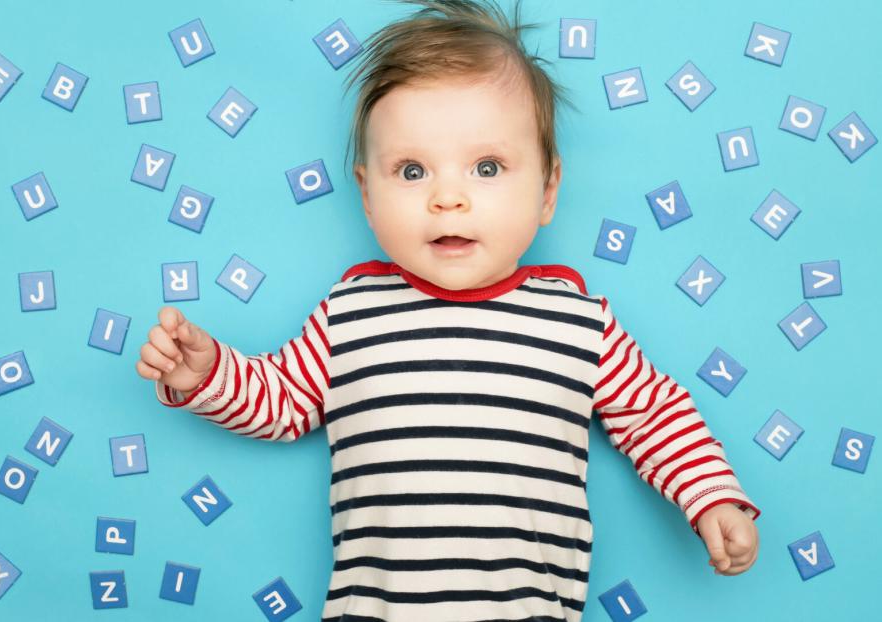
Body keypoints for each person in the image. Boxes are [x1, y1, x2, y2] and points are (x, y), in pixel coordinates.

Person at [136, 1, 761, 620]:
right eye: (411, 171)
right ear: (367, 196)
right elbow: (281, 403)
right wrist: (205, 374)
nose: (448, 199)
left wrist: (709, 499)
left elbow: (654, 413)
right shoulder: (351, 312)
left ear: (547, 191)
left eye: (486, 168)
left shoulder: (578, 321)